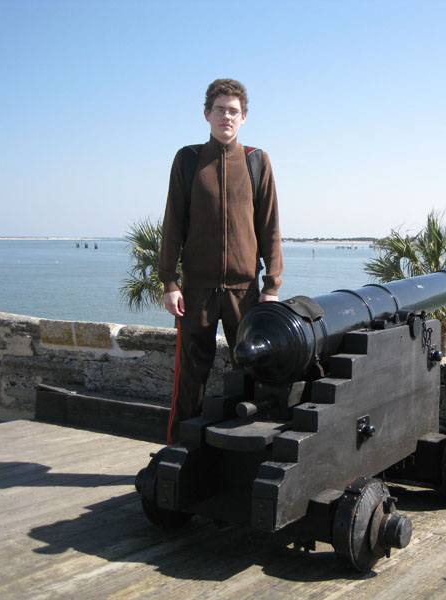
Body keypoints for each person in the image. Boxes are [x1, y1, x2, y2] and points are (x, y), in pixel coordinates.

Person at [158, 78, 283, 443]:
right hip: (195, 290)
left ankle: (241, 449)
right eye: (219, 110)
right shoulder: (188, 159)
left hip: (244, 291)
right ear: (206, 114)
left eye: (233, 111)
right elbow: (173, 223)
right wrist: (170, 282)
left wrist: (271, 285)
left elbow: (270, 227)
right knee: (191, 374)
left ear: (243, 117)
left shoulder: (257, 161)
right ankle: (180, 449)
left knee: (249, 370)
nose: (226, 116)